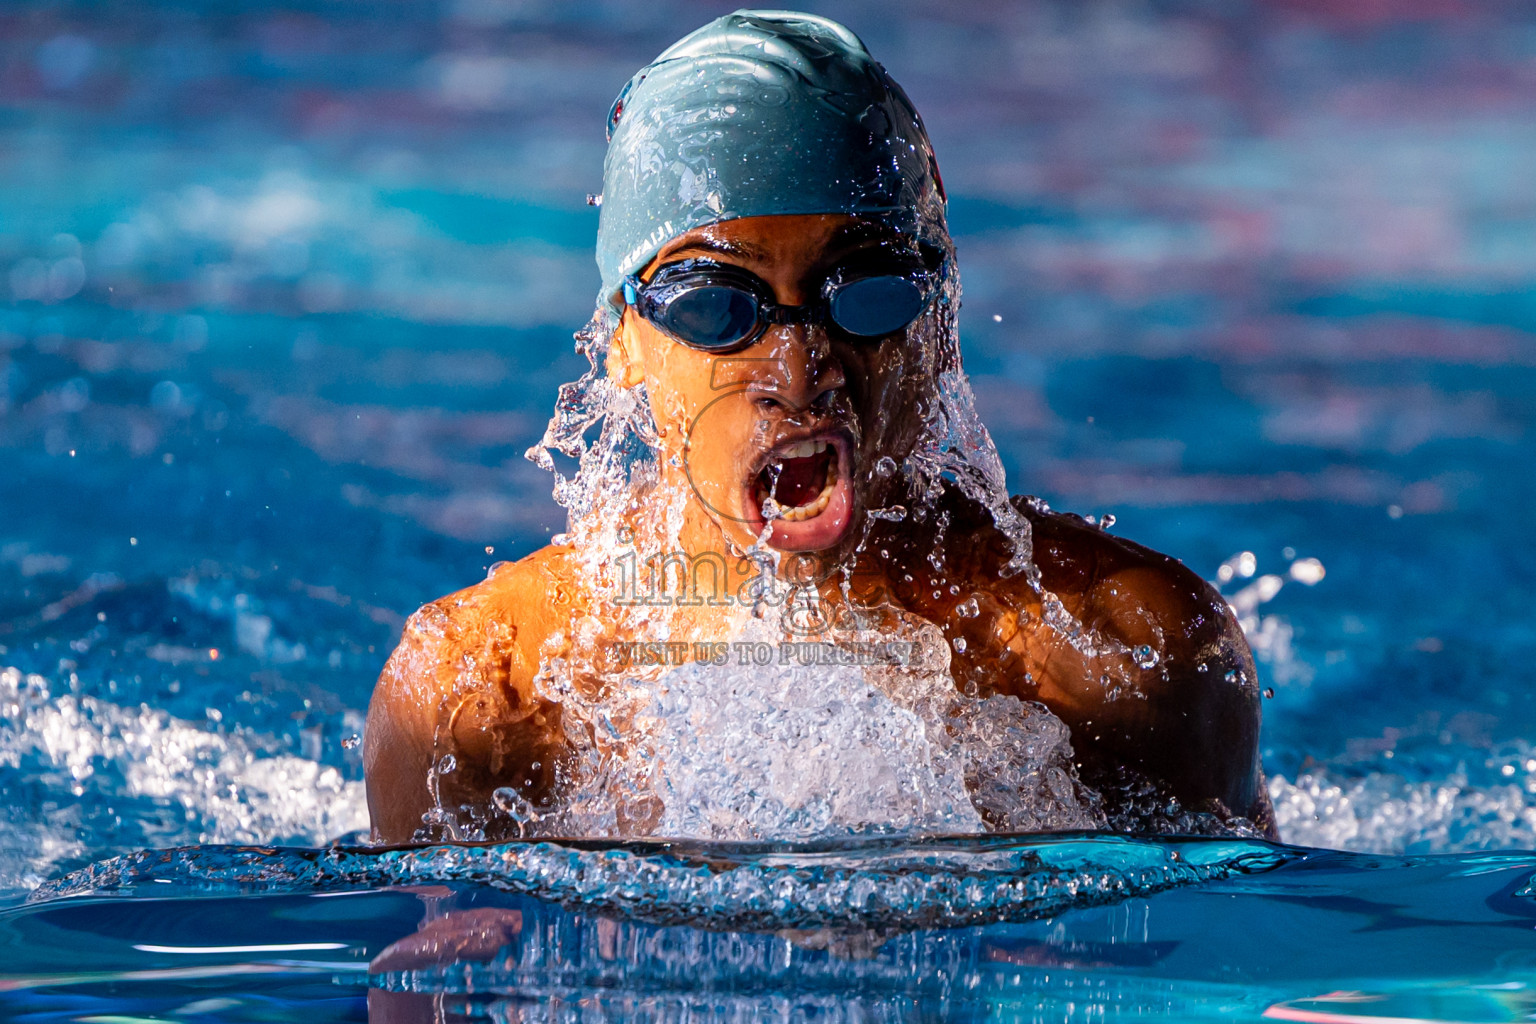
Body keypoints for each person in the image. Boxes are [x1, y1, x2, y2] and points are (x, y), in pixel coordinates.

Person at [363, 10, 1275, 846]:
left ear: (939, 322)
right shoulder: (476, 701)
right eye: (718, 307)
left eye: (868, 290)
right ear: (622, 347)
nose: (802, 373)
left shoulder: (1131, 665)